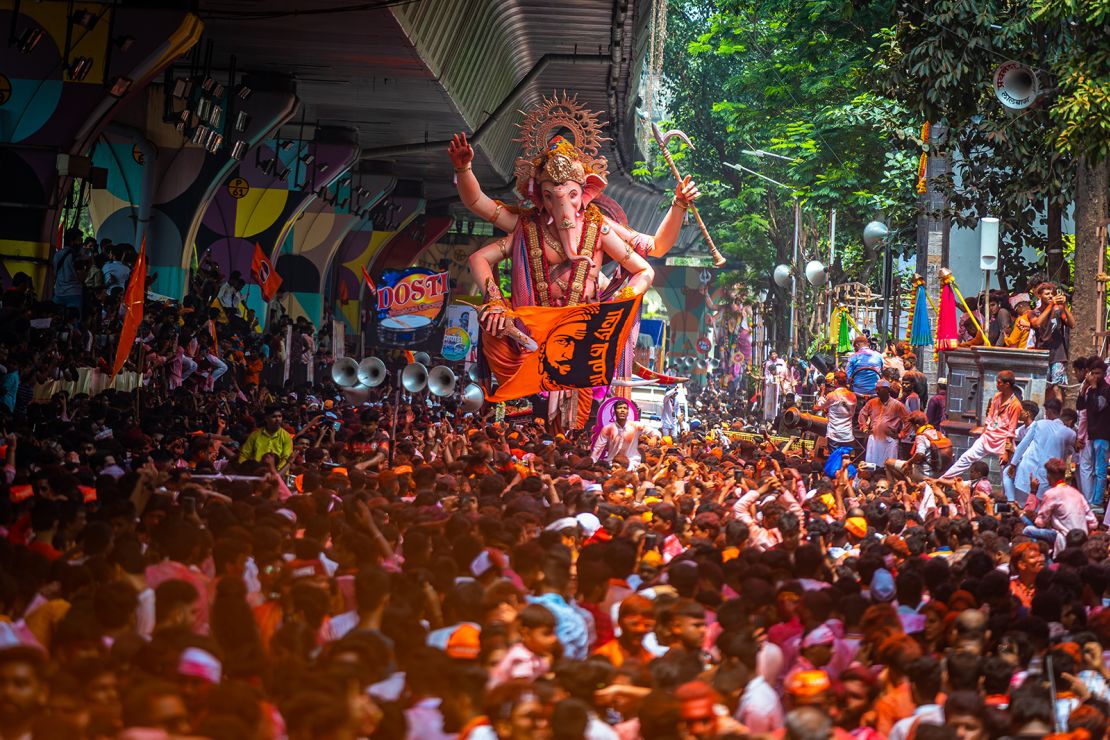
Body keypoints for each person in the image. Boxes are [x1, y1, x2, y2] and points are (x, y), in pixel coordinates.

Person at [944, 370, 1023, 478]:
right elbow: (990, 416)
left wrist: (1006, 451)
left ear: (1007, 384)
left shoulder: (1015, 405)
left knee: (1006, 471)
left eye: (999, 382)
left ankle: (1008, 495)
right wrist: (984, 433)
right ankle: (943, 480)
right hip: (988, 435)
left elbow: (1011, 430)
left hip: (1003, 440)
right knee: (966, 457)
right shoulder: (997, 397)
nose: (996, 385)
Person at [1007, 398, 1077, 505]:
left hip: (1027, 470)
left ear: (1048, 411)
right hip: (1048, 476)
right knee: (1041, 507)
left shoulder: (1039, 424)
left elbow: (1023, 445)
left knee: (1023, 506)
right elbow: (1077, 448)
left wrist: (1013, 464)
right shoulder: (1069, 433)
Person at [1030, 281, 1074, 404]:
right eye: (1047, 294)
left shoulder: (1058, 310)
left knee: (1057, 387)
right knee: (1041, 386)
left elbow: (1072, 324)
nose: (1050, 296)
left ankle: (1058, 415)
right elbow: (1037, 323)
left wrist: (1064, 306)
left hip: (1058, 354)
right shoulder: (1033, 312)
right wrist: (1051, 306)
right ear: (1039, 296)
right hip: (1042, 354)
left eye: (1052, 294)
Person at [1077, 358, 1110, 511]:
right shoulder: (1091, 390)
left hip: (1103, 434)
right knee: (1095, 469)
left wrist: (1094, 387)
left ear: (1103, 374)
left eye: (1098, 373)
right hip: (1094, 434)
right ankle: (1092, 500)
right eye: (1093, 373)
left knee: (1100, 470)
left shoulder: (1105, 389)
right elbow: (1081, 408)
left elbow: (1098, 406)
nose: (1095, 376)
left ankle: (1097, 502)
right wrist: (1083, 390)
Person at [591, 399, 657, 468]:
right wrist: (591, 464)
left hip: (631, 463)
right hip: (612, 463)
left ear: (628, 412)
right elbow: (597, 449)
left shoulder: (636, 426)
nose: (622, 410)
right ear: (614, 412)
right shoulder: (607, 429)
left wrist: (654, 437)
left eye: (625, 408)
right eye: (619, 408)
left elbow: (655, 432)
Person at [858, 380, 909, 466]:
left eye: (880, 389)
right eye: (876, 389)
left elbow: (908, 420)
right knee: (871, 466)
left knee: (888, 467)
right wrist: (864, 427)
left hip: (890, 440)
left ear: (887, 390)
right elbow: (862, 414)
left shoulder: (897, 405)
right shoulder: (872, 402)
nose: (877, 392)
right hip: (874, 439)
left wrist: (901, 434)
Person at [52, 227, 85, 315]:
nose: (81, 243)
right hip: (74, 294)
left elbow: (54, 273)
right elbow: (82, 278)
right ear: (72, 241)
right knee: (73, 322)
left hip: (58, 293)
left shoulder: (57, 254)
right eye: (79, 240)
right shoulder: (76, 257)